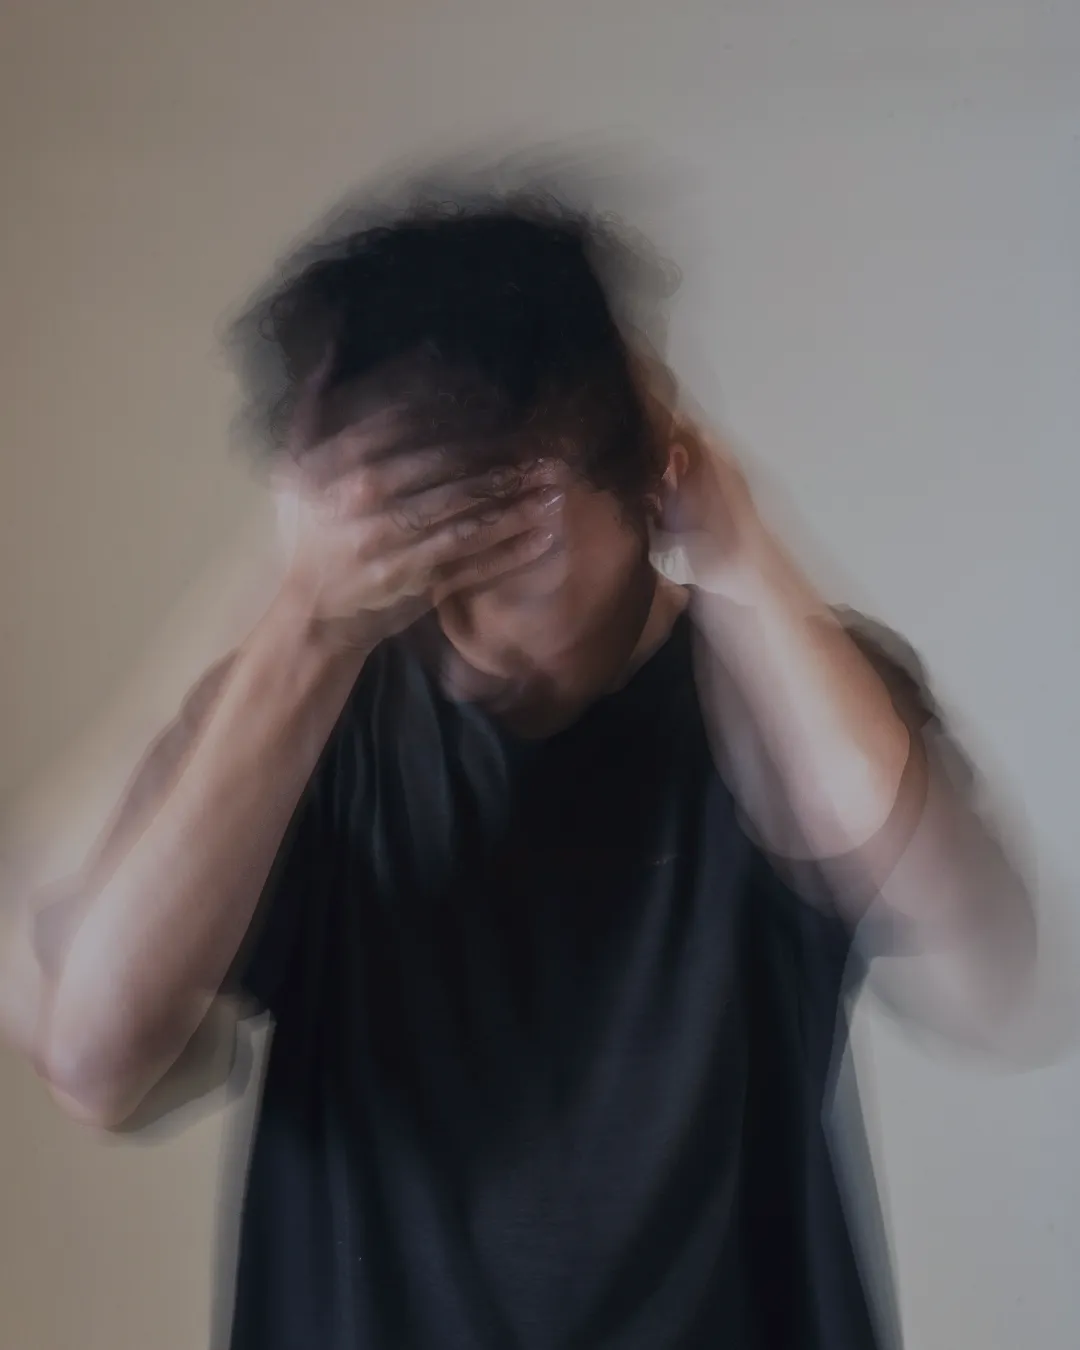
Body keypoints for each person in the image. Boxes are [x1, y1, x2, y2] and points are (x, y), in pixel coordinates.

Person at [0, 194, 1034, 1349]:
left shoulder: (780, 683)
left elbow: (985, 971)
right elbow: (96, 1063)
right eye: (415, 513)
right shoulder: (307, 711)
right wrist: (299, 617)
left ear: (638, 469)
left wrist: (738, 542)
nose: (464, 575)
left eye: (504, 508)